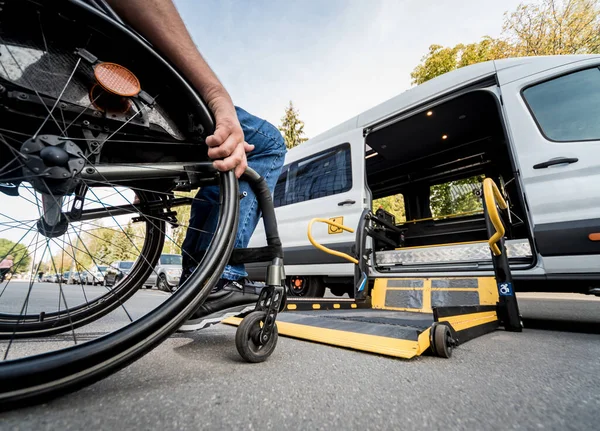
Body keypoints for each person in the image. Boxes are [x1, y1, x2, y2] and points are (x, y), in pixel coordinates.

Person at [107, 0, 286, 327]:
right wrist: (219, 98)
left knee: (216, 171)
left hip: (90, 96)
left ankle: (196, 278)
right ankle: (217, 277)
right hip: (132, 87)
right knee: (268, 143)